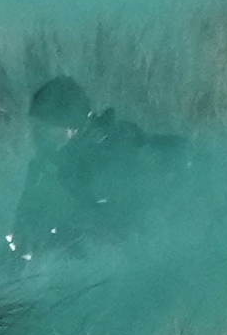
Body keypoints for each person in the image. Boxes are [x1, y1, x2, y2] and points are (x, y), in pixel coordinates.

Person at [11, 77, 185, 259]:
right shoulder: (45, 165)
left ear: (71, 125)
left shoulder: (116, 148)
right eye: (36, 128)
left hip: (120, 257)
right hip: (67, 259)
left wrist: (64, 234)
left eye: (46, 128)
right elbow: (24, 223)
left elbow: (124, 219)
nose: (37, 136)